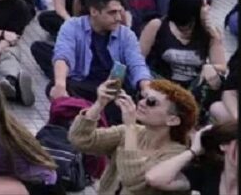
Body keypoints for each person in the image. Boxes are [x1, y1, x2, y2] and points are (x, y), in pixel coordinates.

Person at [68, 78, 197, 195]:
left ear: (172, 120)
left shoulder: (176, 155)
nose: (141, 103)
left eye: (152, 102)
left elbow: (134, 181)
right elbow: (80, 140)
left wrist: (130, 126)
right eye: (143, 97)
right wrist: (100, 104)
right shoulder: (129, 132)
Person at [32, 0, 151, 110]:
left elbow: (137, 63)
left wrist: (146, 87)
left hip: (113, 88)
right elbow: (63, 55)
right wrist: (60, 84)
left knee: (133, 99)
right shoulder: (73, 26)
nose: (118, 18)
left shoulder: (126, 34)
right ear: (94, 11)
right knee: (55, 86)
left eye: (119, 12)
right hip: (83, 81)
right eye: (112, 12)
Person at [139, 0, 228, 95]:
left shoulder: (209, 31)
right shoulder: (157, 25)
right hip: (161, 84)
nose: (208, 8)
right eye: (204, 5)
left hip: (194, 86)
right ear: (192, 10)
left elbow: (222, 66)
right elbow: (139, 58)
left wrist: (210, 67)